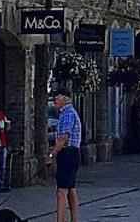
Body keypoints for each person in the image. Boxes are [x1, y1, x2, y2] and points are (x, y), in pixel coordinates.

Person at [50, 86, 82, 222]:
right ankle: (74, 219)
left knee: (61, 191)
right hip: (72, 153)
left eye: (56, 99)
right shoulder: (66, 113)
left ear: (63, 98)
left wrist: (51, 155)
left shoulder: (67, 113)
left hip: (68, 153)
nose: (54, 102)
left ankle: (60, 220)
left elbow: (63, 138)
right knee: (70, 188)